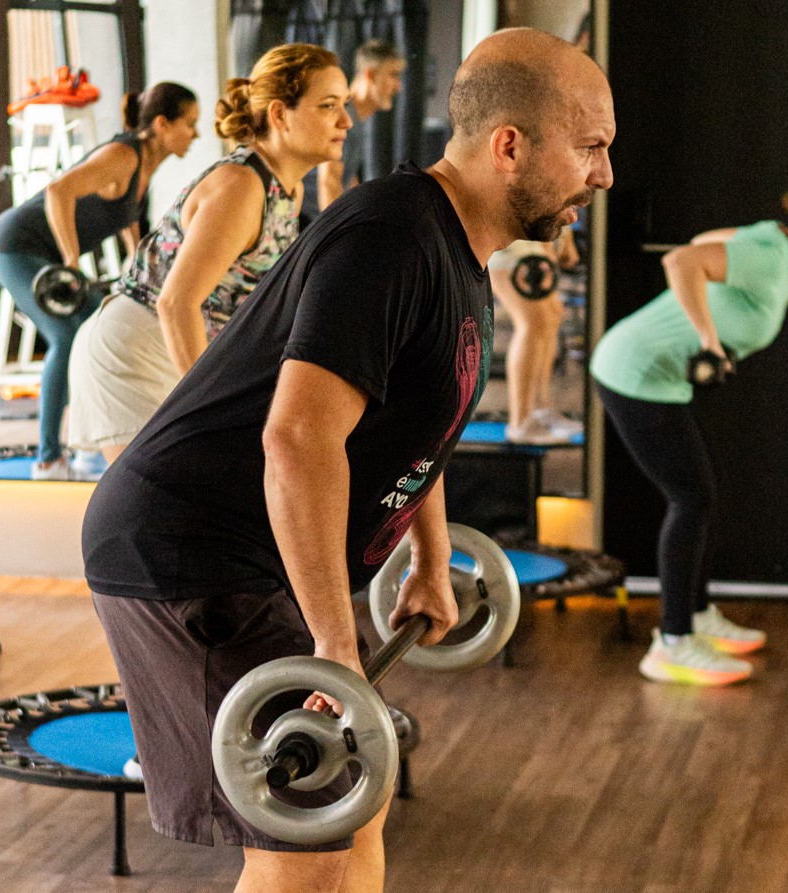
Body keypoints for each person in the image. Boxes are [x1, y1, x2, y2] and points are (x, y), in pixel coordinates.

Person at [81, 28, 613, 892]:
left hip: (250, 552)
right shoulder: (391, 238)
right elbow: (297, 438)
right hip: (194, 554)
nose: (604, 174)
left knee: (345, 825)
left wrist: (431, 557)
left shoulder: (457, 251)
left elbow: (414, 427)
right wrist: (335, 642)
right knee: (313, 844)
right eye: (592, 148)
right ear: (510, 146)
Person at [590, 186, 788, 686]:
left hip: (657, 378)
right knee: (692, 498)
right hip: (634, 373)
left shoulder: (776, 244)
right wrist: (709, 339)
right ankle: (673, 643)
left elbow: (706, 243)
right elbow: (683, 260)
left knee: (699, 495)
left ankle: (696, 615)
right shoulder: (770, 255)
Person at [67, 43, 350, 466]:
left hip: (170, 347)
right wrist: (210, 411)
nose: (345, 121)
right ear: (278, 114)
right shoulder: (241, 186)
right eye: (328, 106)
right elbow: (176, 302)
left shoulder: (288, 189)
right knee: (154, 516)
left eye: (343, 105)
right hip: (134, 351)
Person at [0, 83, 198, 480]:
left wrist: (139, 265)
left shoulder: (144, 169)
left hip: (38, 251)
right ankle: (49, 459)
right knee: (68, 337)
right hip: (13, 244)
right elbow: (58, 190)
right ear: (163, 124)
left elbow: (126, 216)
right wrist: (69, 259)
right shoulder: (123, 154)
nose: (196, 135)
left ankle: (90, 450)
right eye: (190, 124)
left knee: (93, 331)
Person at [488, 227, 582, 443]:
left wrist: (561, 240)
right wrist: (553, 241)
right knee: (531, 324)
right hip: (511, 247)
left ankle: (540, 410)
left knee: (550, 317)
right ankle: (520, 424)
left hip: (532, 245)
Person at [301, 39, 406, 223]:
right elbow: (329, 181)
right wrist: (338, 238)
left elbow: (346, 179)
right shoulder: (343, 116)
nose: (399, 86)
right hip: (299, 220)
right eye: (393, 75)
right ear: (370, 75)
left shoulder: (356, 120)